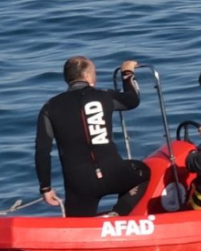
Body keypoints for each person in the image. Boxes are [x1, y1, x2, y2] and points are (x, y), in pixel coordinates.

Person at [35, 56, 151, 217]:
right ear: (88, 76)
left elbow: (42, 152)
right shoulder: (103, 96)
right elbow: (132, 100)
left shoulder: (49, 107)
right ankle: (118, 215)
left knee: (77, 227)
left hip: (79, 185)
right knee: (143, 172)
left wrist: (45, 188)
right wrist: (127, 73)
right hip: (114, 174)